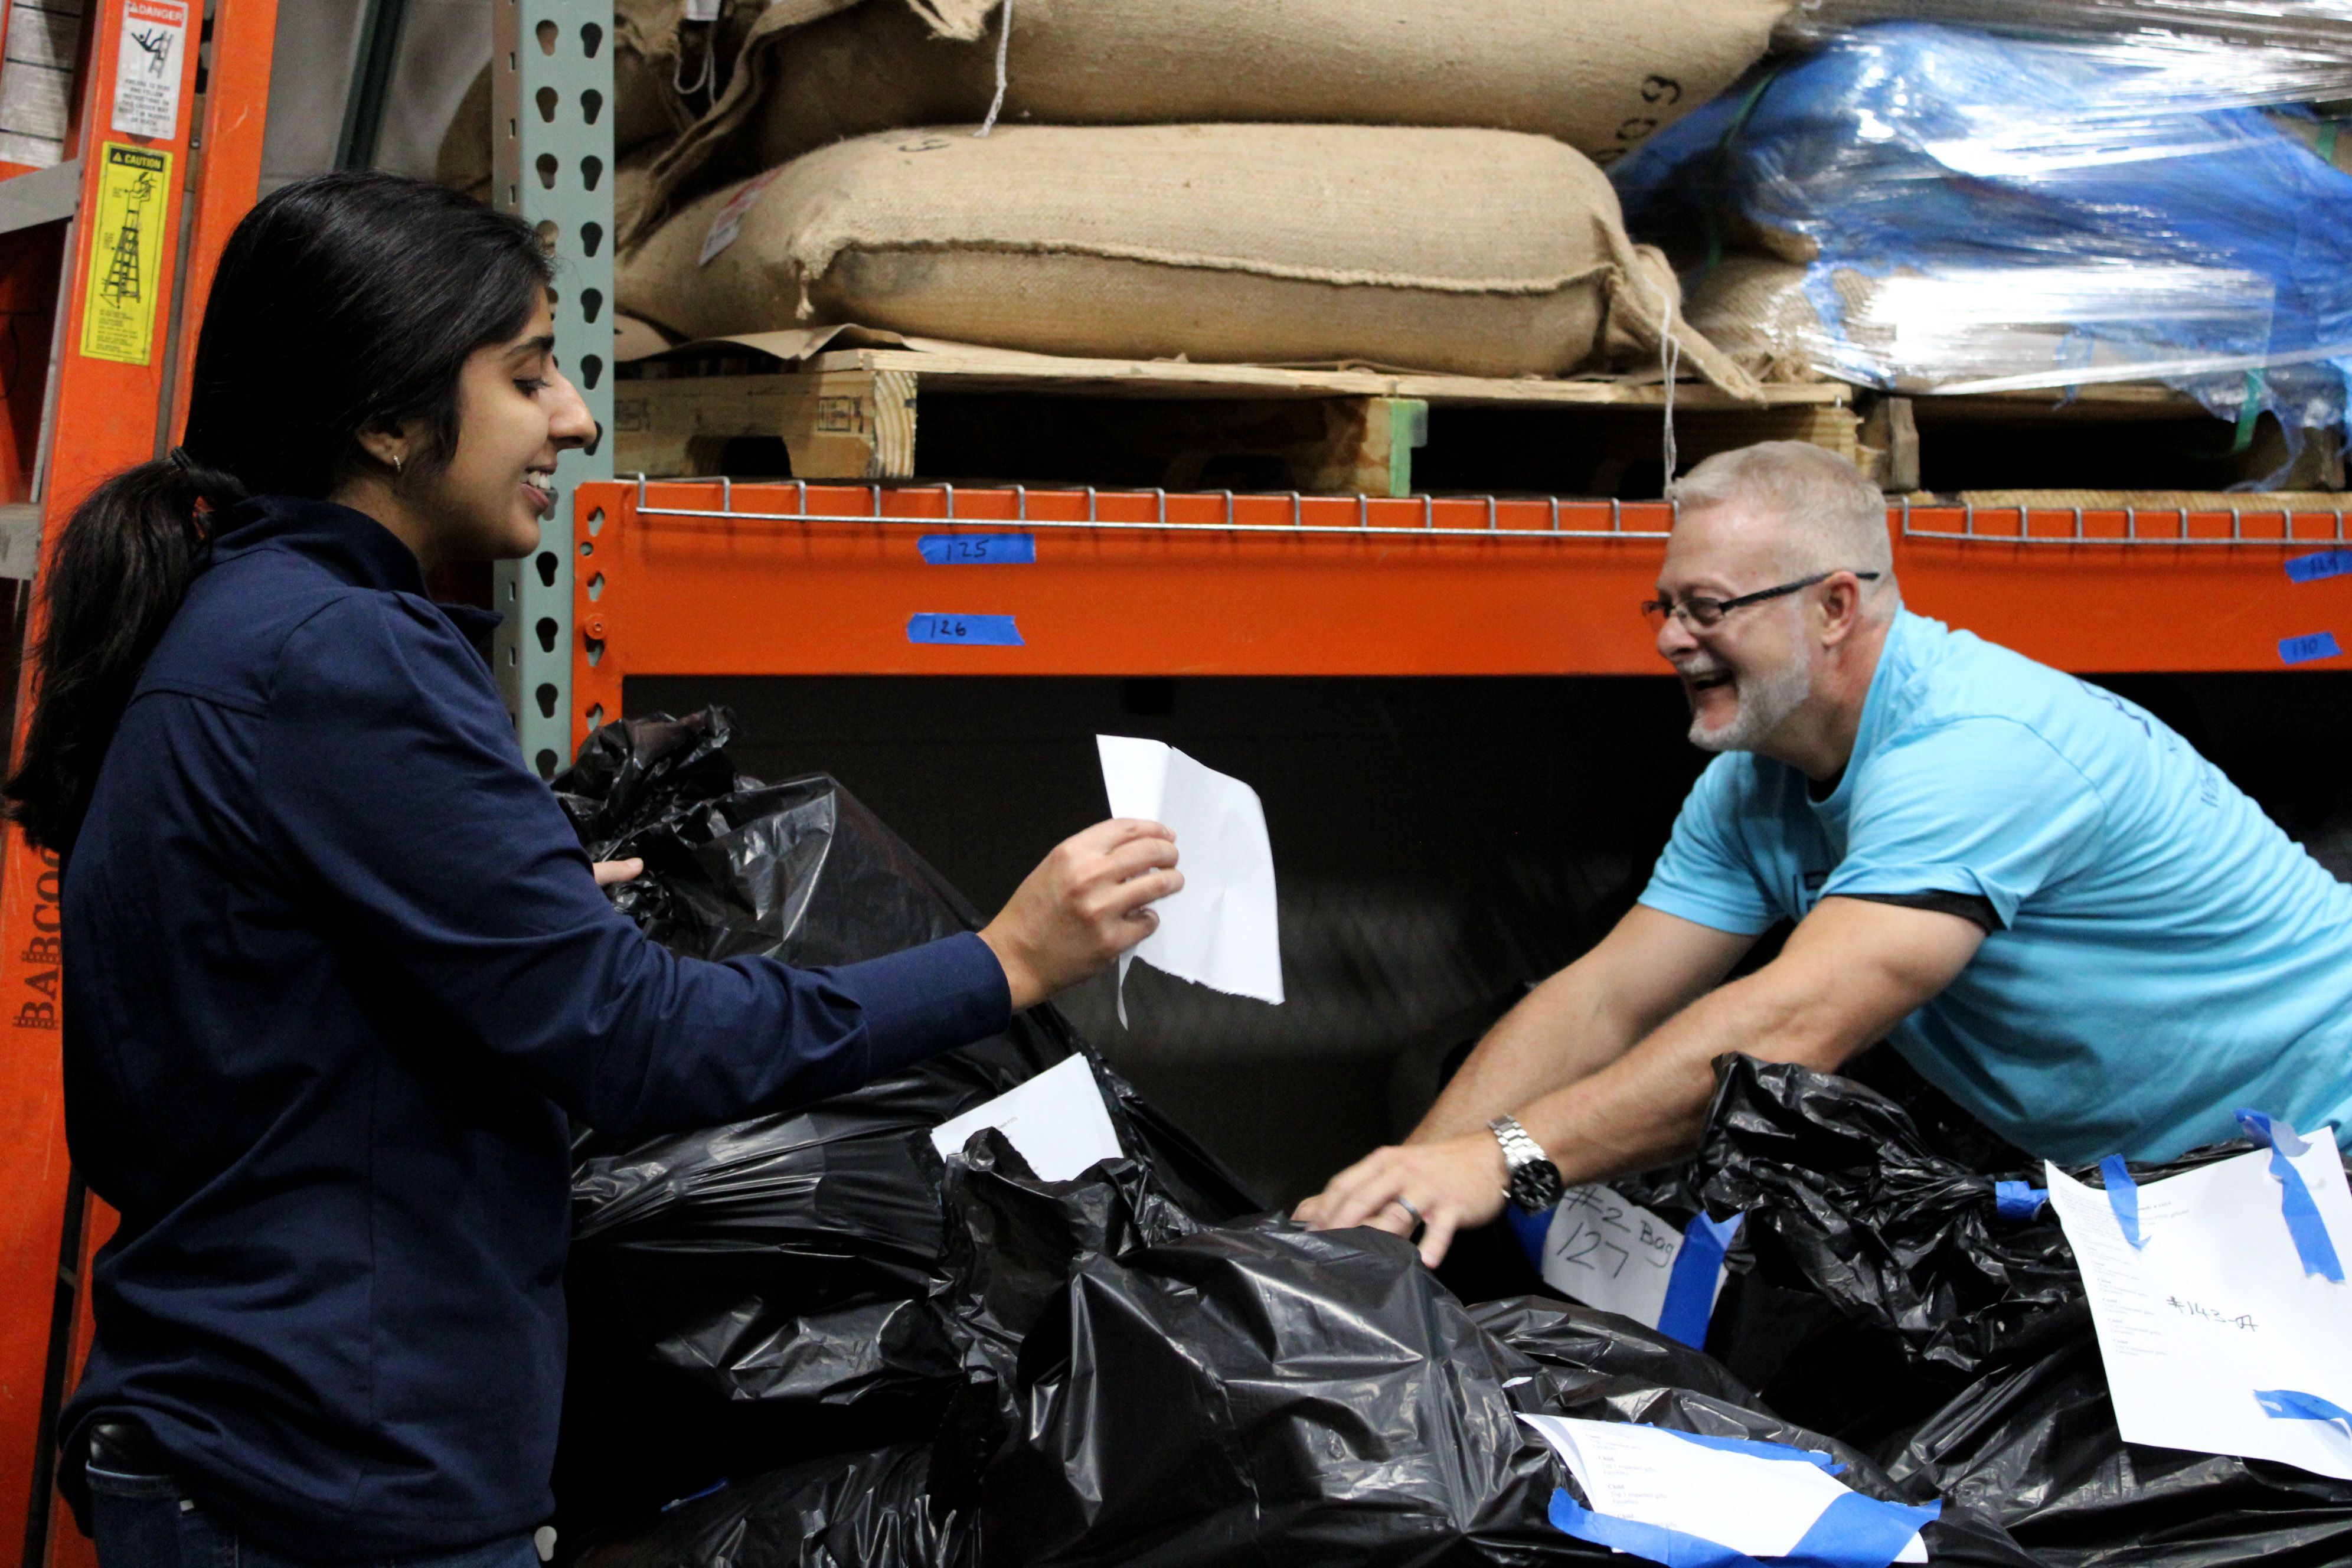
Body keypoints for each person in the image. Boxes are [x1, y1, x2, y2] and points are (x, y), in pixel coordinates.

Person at [10, 172, 1181, 1568]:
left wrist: (521, 916)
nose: (572, 415)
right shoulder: (345, 657)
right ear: (386, 420)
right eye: (525, 374)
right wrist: (1005, 959)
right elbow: (635, 1042)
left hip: (255, 1446)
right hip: (332, 1488)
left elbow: (286, 987)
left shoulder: (235, 622)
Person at [1298, 439, 2352, 1267]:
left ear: (1835, 606)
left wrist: (1509, 1161)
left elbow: (1798, 1022)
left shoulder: (1977, 751)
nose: (1670, 639)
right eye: (1663, 606)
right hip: (2183, 1185)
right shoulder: (1756, 783)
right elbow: (1604, 1000)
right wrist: (1406, 1191)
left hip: (2326, 1149)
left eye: (1706, 608)